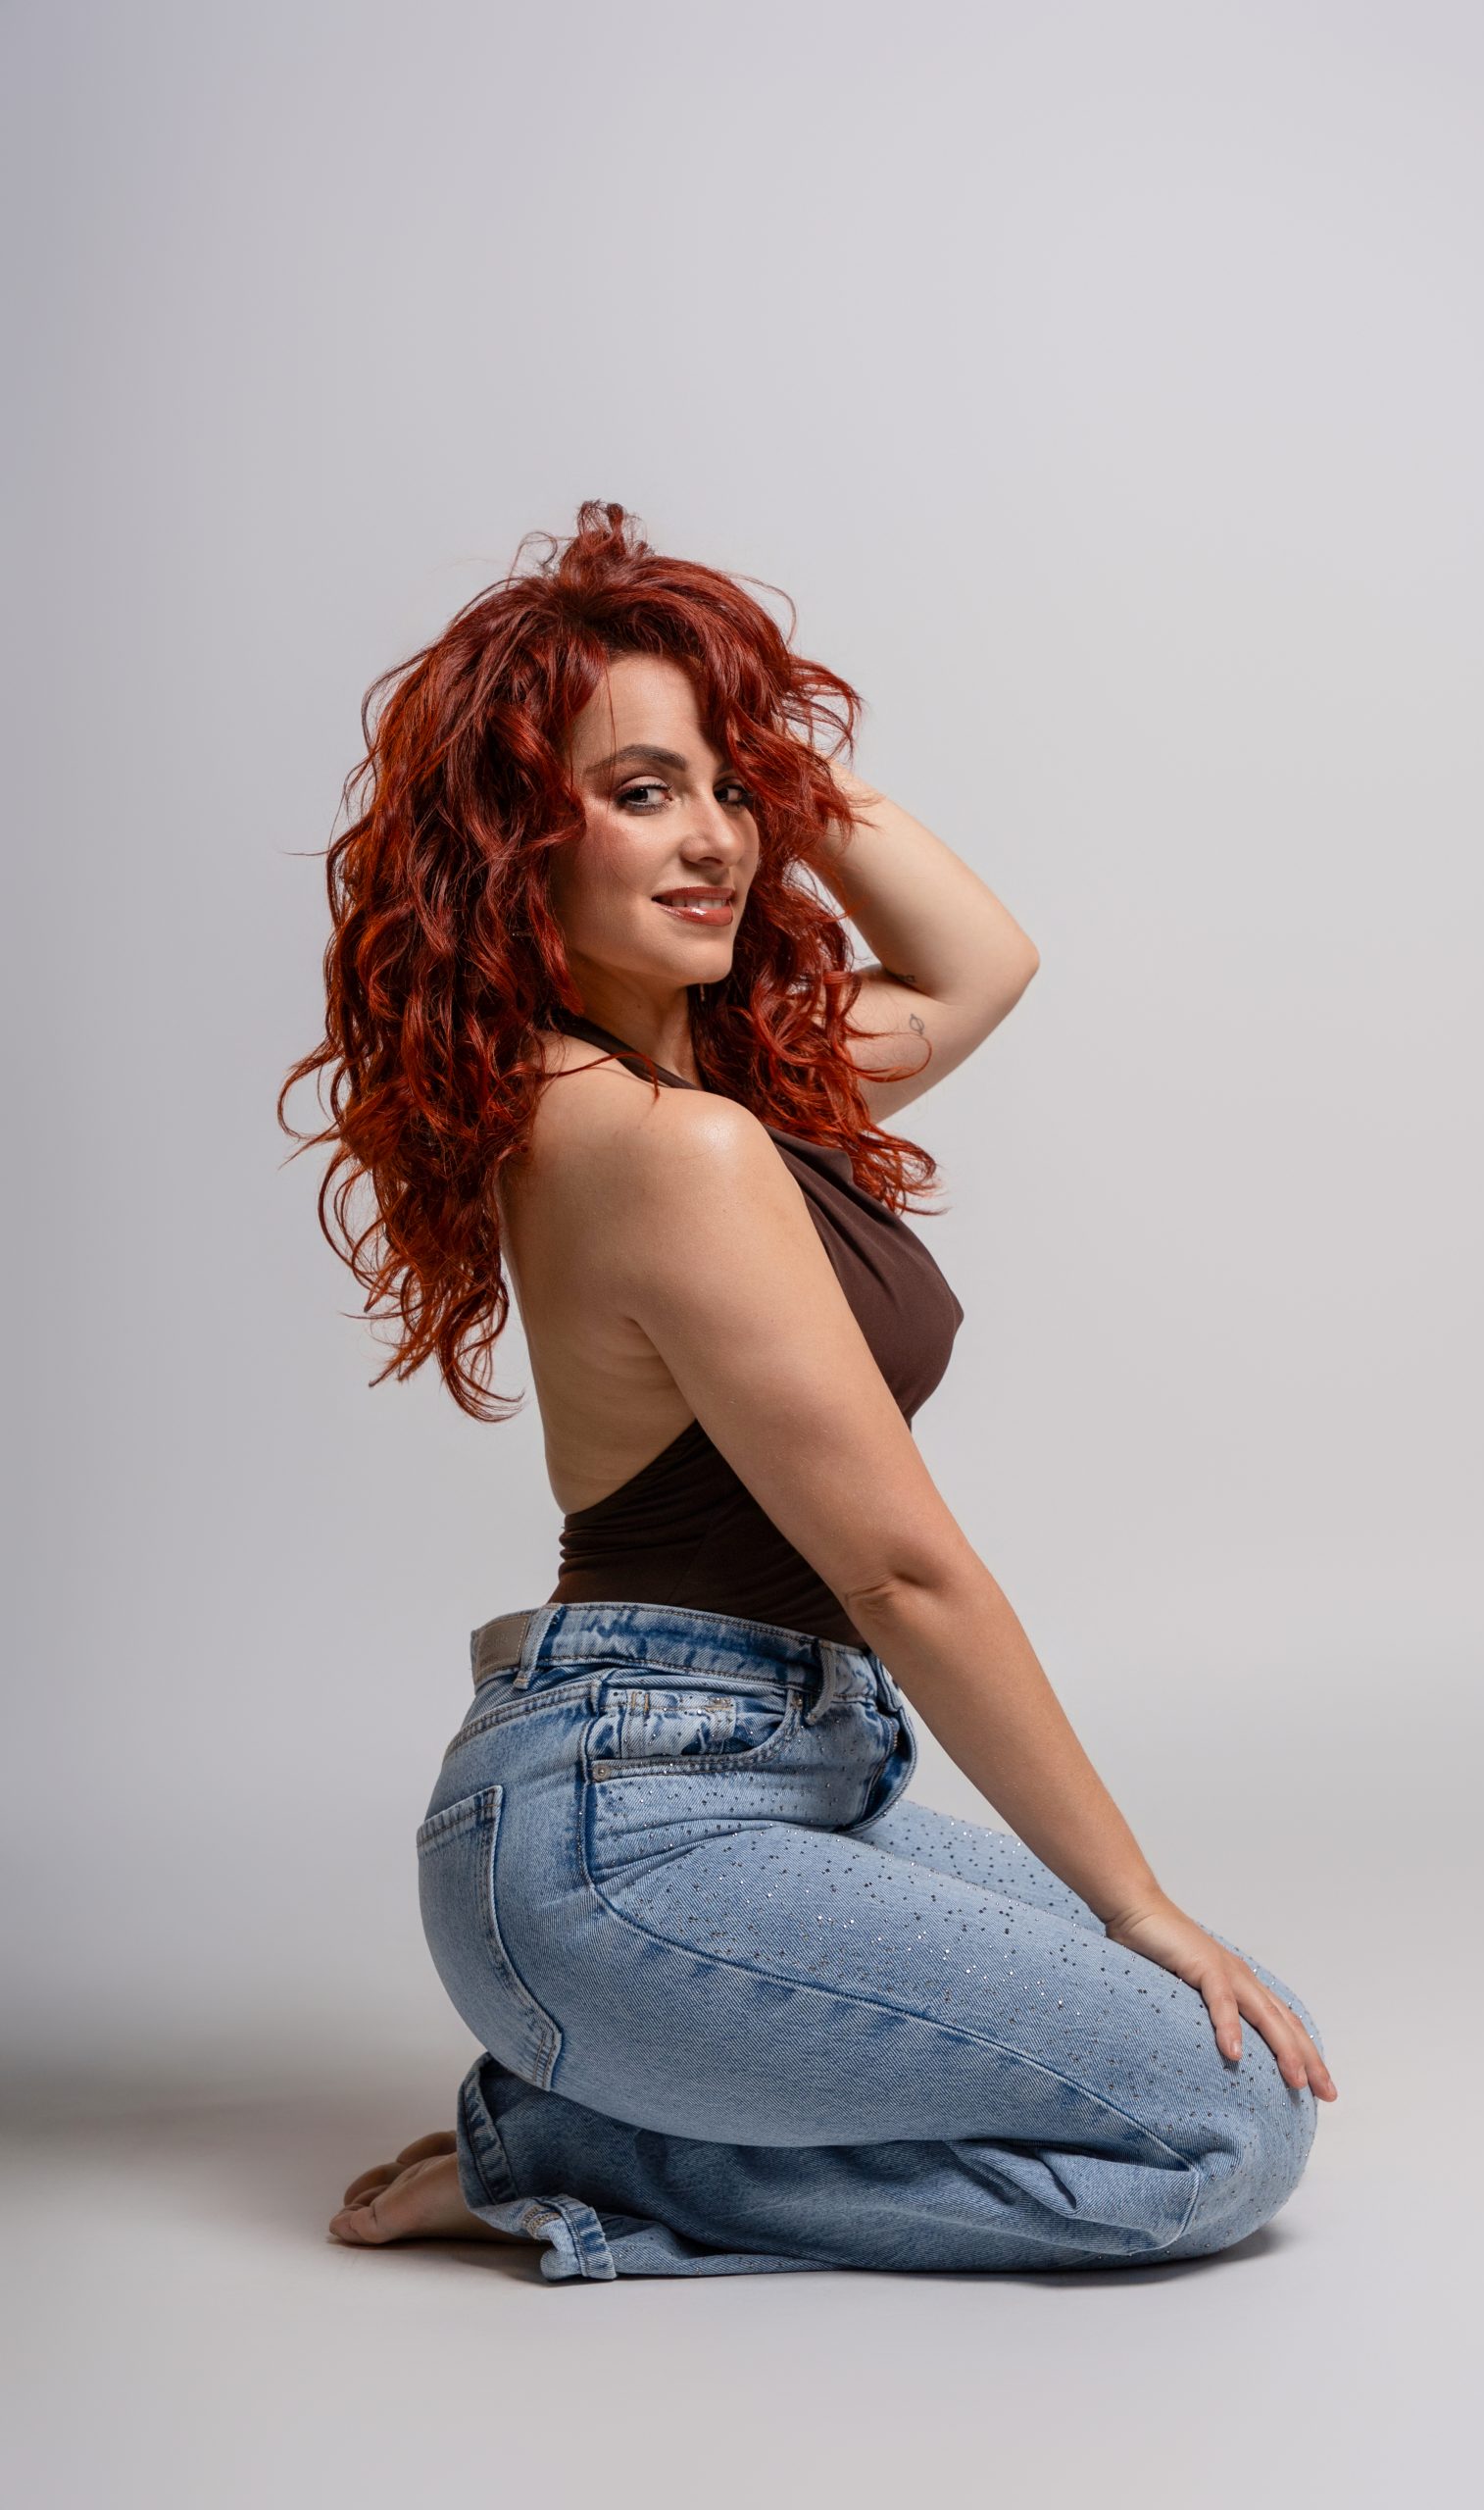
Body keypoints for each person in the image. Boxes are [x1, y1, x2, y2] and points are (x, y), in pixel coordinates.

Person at [279, 499, 1336, 2283]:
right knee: (1228, 2131)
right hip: (626, 1826)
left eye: (730, 792)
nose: (715, 840)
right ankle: (577, 2149)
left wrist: (751, 748)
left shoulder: (726, 1092)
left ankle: (614, 2113)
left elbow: (981, 962)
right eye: (639, 793)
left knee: (1259, 2035)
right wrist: (1132, 1896)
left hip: (770, 1772)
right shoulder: (655, 1148)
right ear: (516, 842)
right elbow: (902, 1573)